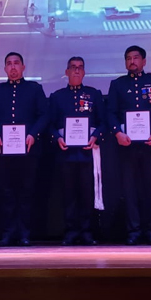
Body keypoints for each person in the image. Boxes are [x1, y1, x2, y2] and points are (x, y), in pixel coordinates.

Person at [0, 52, 48, 246]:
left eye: (16, 63)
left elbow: (44, 115)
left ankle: (25, 233)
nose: (13, 67)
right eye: (9, 64)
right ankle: (8, 233)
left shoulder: (34, 89)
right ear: (4, 68)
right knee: (6, 193)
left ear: (23, 67)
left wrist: (33, 134)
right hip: (1, 150)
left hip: (28, 150)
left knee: (27, 192)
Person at [106, 46, 151, 245]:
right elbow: (110, 112)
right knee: (130, 189)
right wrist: (117, 132)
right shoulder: (117, 84)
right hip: (127, 144)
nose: (132, 61)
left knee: (150, 188)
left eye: (136, 58)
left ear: (144, 61)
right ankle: (133, 231)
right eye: (128, 58)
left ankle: (150, 230)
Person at [49, 57, 104, 246]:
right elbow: (50, 124)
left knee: (87, 193)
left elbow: (102, 121)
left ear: (84, 72)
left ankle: (87, 231)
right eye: (73, 68)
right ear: (66, 72)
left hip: (87, 152)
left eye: (80, 68)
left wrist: (96, 135)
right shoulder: (57, 97)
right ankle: (71, 231)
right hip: (66, 153)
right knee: (69, 194)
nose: (77, 71)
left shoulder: (93, 94)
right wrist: (57, 138)